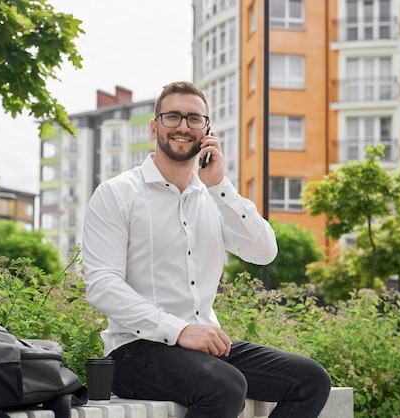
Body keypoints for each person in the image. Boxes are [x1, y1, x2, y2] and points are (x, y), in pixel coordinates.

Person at [82, 81, 331, 417]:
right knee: (225, 385)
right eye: (173, 117)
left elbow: (264, 252)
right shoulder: (117, 194)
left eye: (194, 119)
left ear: (207, 131)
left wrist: (220, 186)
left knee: (310, 380)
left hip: (204, 350)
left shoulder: (213, 197)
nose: (183, 127)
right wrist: (179, 330)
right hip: (135, 350)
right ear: (155, 126)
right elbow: (102, 286)